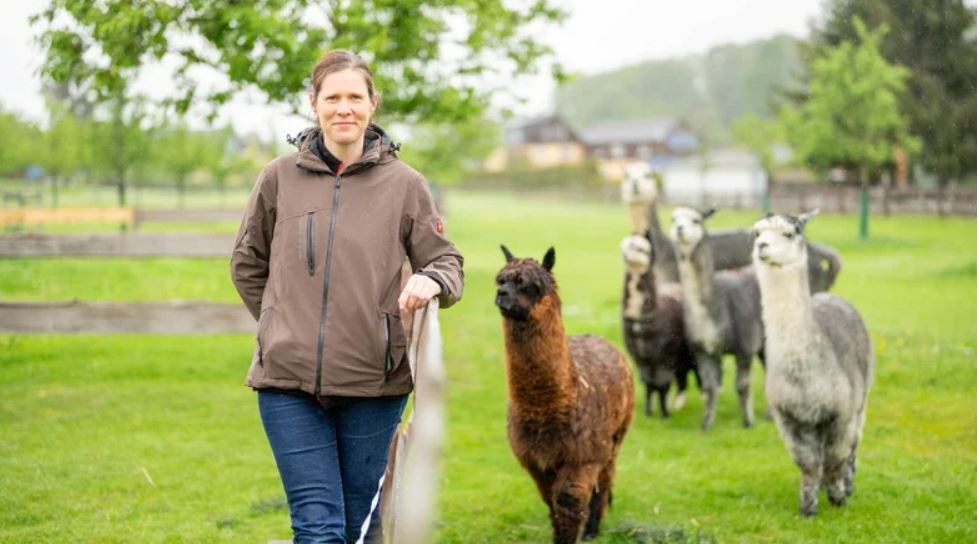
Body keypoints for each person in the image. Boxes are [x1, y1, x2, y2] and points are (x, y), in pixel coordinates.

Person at [230, 49, 464, 544]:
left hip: (372, 389)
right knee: (318, 531)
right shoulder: (278, 178)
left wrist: (433, 281)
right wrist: (279, 323)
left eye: (354, 97)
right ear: (313, 104)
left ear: (372, 104)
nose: (344, 109)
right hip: (287, 386)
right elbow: (247, 264)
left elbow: (447, 261)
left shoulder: (405, 185)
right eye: (332, 97)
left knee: (359, 530)